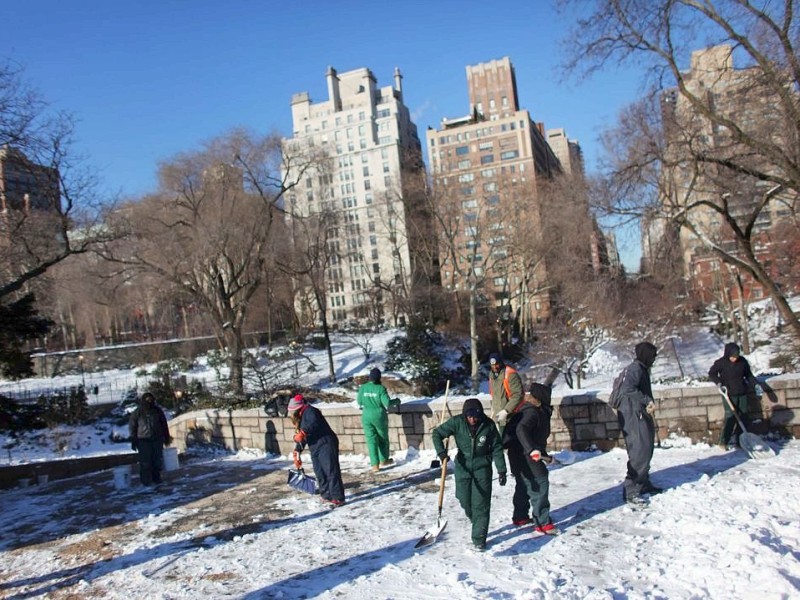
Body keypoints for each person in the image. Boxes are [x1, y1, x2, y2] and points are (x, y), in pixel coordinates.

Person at [431, 398, 507, 551]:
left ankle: (479, 538)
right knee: (464, 499)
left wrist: (501, 469)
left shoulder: (489, 425)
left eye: (476, 416)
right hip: (463, 466)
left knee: (481, 504)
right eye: (469, 416)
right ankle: (478, 522)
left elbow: (497, 448)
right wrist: (441, 453)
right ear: (465, 415)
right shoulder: (457, 422)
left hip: (482, 468)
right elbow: (437, 433)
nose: (473, 419)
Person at [503, 382, 558, 535]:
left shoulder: (528, 410)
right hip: (526, 455)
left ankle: (520, 516)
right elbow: (522, 429)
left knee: (523, 483)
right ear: (542, 398)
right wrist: (531, 449)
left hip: (517, 455)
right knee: (540, 482)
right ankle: (542, 523)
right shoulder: (533, 412)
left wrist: (543, 454)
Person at [616, 342, 662, 505]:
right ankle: (631, 490)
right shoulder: (636, 369)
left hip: (639, 414)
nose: (654, 358)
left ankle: (643, 483)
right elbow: (627, 389)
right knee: (639, 452)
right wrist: (647, 400)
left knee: (646, 448)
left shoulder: (640, 368)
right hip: (633, 416)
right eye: (652, 355)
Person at [288, 394, 345, 507]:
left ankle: (338, 497)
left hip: (326, 443)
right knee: (319, 471)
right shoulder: (301, 416)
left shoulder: (311, 411)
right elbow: (302, 437)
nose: (291, 413)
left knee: (330, 470)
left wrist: (303, 432)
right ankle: (326, 495)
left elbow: (314, 423)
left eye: (292, 410)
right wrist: (297, 451)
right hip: (315, 446)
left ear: (298, 407)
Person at [708, 342, 757, 449]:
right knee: (730, 417)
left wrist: (756, 384)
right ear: (727, 354)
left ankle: (740, 441)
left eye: (736, 356)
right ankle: (723, 441)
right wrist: (719, 383)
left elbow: (748, 375)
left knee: (743, 416)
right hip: (728, 394)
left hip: (742, 393)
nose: (734, 358)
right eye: (732, 356)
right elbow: (712, 373)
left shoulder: (743, 362)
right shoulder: (721, 363)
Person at [357, 367, 401, 472]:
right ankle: (384, 460)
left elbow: (359, 402)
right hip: (379, 415)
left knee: (371, 440)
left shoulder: (363, 387)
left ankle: (374, 466)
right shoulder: (380, 388)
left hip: (366, 415)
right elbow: (387, 403)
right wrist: (397, 401)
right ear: (379, 378)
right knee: (383, 438)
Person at [129, 392, 173, 487]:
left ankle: (156, 478)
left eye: (151, 400)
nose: (149, 402)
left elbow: (164, 425)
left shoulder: (157, 411)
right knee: (145, 462)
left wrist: (166, 437)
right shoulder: (137, 413)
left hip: (157, 439)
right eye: (147, 400)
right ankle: (145, 481)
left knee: (157, 461)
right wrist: (133, 441)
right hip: (143, 440)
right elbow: (132, 427)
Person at [488, 353, 524, 433]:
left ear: (501, 362)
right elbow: (494, 395)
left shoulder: (510, 374)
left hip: (512, 416)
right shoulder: (492, 376)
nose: (495, 367)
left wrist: (506, 411)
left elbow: (518, 395)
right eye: (492, 365)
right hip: (499, 418)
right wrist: (493, 410)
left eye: (496, 364)